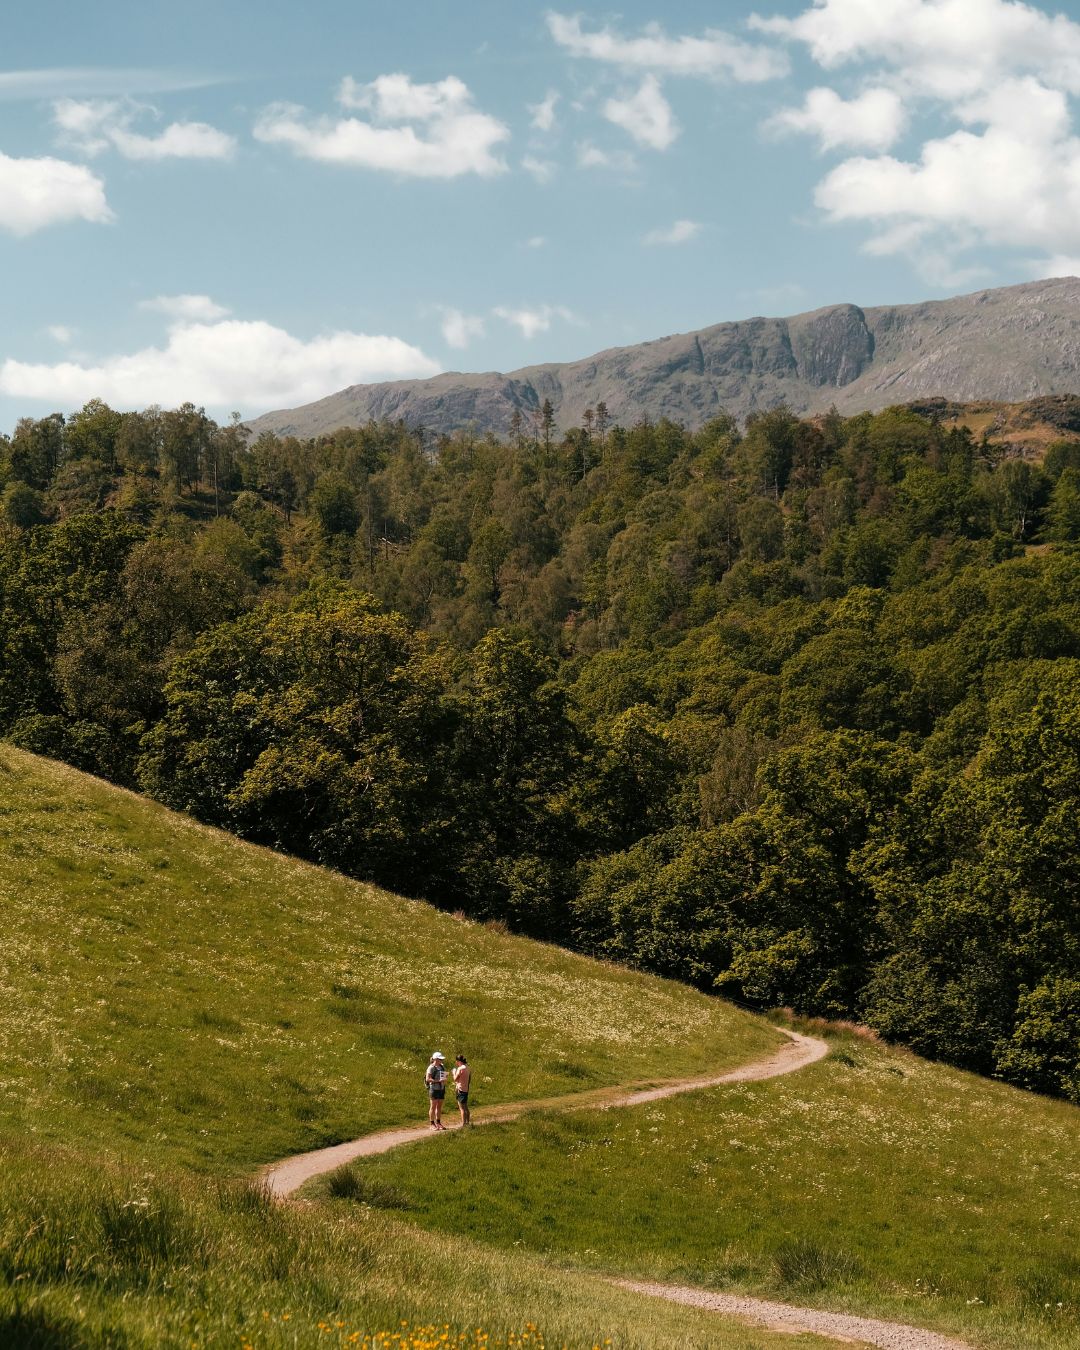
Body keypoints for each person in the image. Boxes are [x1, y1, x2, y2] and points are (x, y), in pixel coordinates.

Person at [425, 1052, 447, 1129]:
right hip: (433, 1089)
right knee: (433, 1106)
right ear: (436, 1059)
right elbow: (428, 1079)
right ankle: (432, 1124)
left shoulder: (442, 1067)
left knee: (439, 1107)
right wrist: (438, 1081)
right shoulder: (431, 1067)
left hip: (441, 1089)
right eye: (440, 1059)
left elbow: (444, 1077)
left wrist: (444, 1079)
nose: (442, 1060)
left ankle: (438, 1122)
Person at [453, 1054, 472, 1127]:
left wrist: (454, 1072)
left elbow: (455, 1079)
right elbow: (469, 1079)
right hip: (466, 1089)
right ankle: (467, 1122)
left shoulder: (460, 1068)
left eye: (456, 1061)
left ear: (458, 1061)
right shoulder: (468, 1067)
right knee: (466, 1107)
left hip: (460, 1089)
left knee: (462, 1108)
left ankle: (464, 1124)